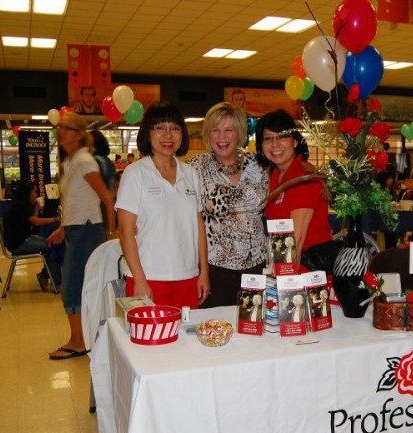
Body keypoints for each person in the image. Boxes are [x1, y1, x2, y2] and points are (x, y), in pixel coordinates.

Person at [116, 102, 210, 309]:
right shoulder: (135, 174)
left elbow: (199, 227)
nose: (168, 135)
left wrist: (204, 272)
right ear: (147, 133)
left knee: (186, 339)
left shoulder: (191, 174)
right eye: (160, 128)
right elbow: (125, 232)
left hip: (188, 277)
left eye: (174, 128)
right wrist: (140, 280)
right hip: (148, 278)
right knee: (150, 339)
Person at [46, 112, 116, 360]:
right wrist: (63, 227)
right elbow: (75, 202)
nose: (60, 131)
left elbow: (107, 198)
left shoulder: (85, 161)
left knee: (72, 285)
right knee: (76, 283)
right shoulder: (69, 162)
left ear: (79, 134)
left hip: (88, 229)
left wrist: (109, 232)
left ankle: (77, 342)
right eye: (59, 127)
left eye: (67, 128)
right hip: (77, 228)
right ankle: (82, 337)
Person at [187, 102, 267, 308]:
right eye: (215, 130)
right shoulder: (195, 168)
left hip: (257, 266)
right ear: (208, 135)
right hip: (214, 269)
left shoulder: (260, 166)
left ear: (239, 133)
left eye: (228, 130)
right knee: (217, 329)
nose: (221, 137)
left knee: (254, 331)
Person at [257, 109, 331, 268]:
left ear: (295, 141)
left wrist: (284, 281)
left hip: (305, 269)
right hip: (284, 261)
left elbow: (296, 238)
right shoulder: (277, 174)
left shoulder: (303, 177)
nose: (275, 144)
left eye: (282, 136)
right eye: (268, 139)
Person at [3, 179, 62, 291]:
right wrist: (55, 219)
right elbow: (35, 222)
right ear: (27, 192)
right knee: (52, 244)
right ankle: (56, 282)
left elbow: (30, 222)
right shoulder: (20, 206)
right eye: (34, 192)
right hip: (19, 243)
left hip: (19, 240)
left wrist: (36, 209)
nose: (36, 194)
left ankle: (45, 276)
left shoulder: (18, 205)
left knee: (50, 242)